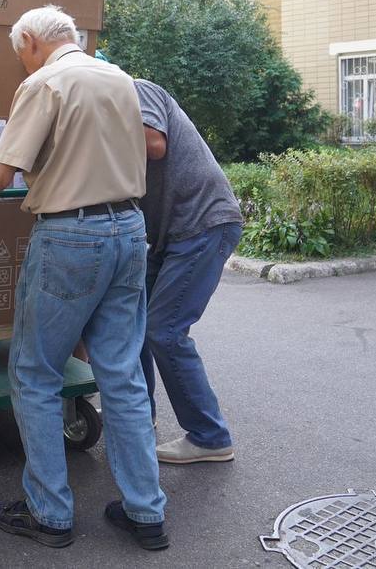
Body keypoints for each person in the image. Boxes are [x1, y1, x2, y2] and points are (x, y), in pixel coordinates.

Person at [0, 6, 168, 552]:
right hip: (128, 228)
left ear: (30, 41)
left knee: (35, 372)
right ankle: (146, 512)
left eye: (18, 53)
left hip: (71, 236)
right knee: (121, 373)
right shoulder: (119, 78)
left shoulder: (44, 82)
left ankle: (50, 513)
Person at [133, 78, 243, 465]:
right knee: (133, 324)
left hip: (203, 225)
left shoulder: (135, 89)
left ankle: (210, 436)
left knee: (163, 331)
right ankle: (137, 420)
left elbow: (154, 144)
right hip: (170, 236)